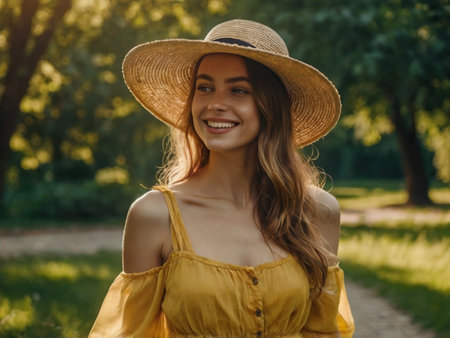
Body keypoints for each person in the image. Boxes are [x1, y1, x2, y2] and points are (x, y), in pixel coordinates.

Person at [89, 19, 354, 337]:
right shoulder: (154, 215)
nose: (215, 104)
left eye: (238, 90)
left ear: (270, 106)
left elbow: (322, 332)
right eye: (204, 87)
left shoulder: (317, 210)